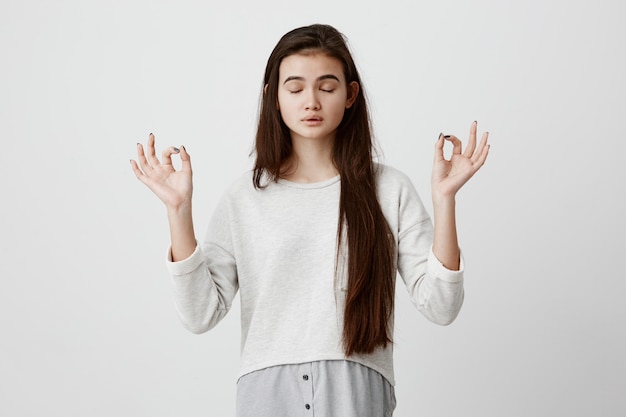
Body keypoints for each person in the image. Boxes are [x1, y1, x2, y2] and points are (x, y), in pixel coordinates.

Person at [130, 23, 489, 417]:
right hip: (266, 394)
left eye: (327, 87)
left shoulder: (389, 189)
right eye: (296, 88)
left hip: (357, 391)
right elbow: (199, 314)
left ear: (350, 94)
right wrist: (178, 211)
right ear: (274, 97)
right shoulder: (244, 199)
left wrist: (444, 200)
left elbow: (441, 306)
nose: (311, 102)